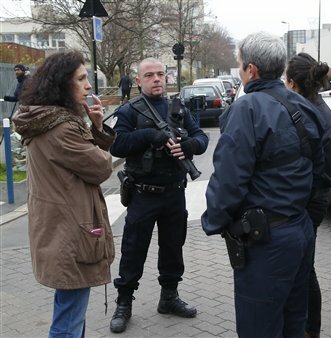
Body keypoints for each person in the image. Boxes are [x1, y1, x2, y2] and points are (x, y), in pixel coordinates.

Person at [201, 31, 325, 338]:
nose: (241, 69)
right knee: (294, 321)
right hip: (299, 230)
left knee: (260, 326)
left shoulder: (245, 110)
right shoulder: (304, 106)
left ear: (251, 69)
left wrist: (213, 221)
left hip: (265, 240)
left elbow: (229, 180)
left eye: (240, 63)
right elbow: (323, 172)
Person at [11, 51, 115, 338]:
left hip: (59, 229)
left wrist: (92, 129)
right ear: (62, 84)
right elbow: (100, 167)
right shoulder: (61, 128)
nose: (89, 85)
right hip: (71, 234)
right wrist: (96, 128)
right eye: (81, 78)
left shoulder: (45, 120)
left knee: (69, 310)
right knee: (67, 323)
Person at [109, 57, 208, 333]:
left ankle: (169, 297)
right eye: (150, 75)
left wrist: (188, 145)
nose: (157, 79)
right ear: (138, 81)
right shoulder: (130, 111)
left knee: (173, 247)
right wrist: (148, 136)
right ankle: (124, 303)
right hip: (143, 194)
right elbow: (117, 145)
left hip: (174, 193)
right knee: (133, 250)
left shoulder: (178, 107)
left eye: (161, 74)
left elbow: (202, 138)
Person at [285, 52, 331, 338]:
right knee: (300, 268)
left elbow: (330, 171)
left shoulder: (317, 114)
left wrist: (301, 191)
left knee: (305, 270)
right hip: (304, 201)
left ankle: (309, 330)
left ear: (293, 83)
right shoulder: (306, 108)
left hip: (310, 203)